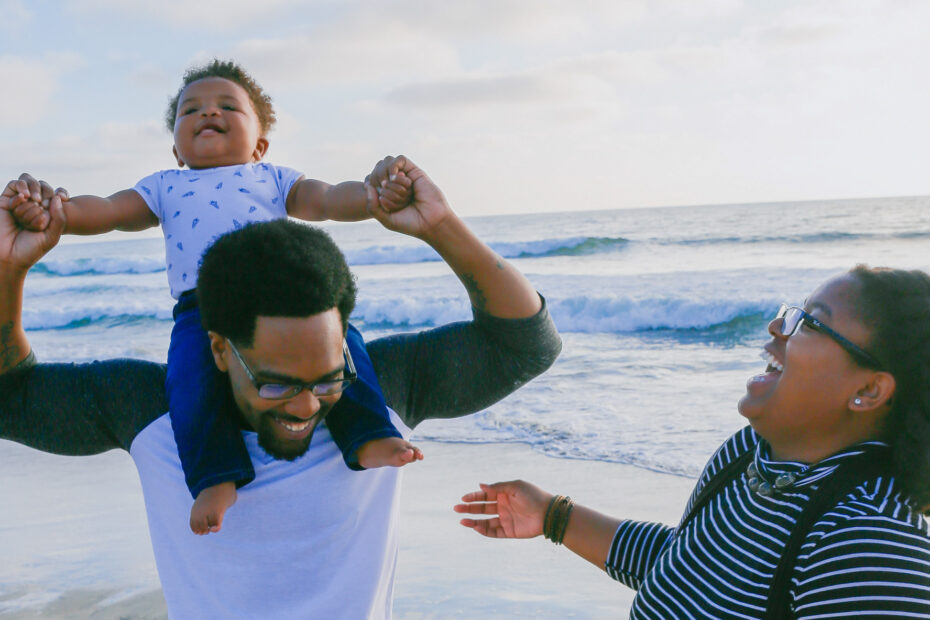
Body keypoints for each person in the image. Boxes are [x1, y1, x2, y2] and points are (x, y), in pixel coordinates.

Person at [0, 155, 563, 618]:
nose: (305, 405)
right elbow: (9, 398)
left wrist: (441, 226)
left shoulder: (377, 389)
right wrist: (8, 270)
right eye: (275, 384)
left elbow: (527, 344)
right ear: (219, 349)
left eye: (327, 378)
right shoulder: (152, 411)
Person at [2, 59, 421, 535]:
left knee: (345, 350)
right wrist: (55, 211)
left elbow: (326, 199)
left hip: (281, 298)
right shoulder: (165, 186)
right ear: (176, 149)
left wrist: (372, 196)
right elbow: (110, 211)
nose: (207, 113)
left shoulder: (274, 178)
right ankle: (215, 476)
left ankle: (369, 435)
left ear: (260, 145)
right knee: (188, 383)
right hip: (201, 310)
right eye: (191, 110)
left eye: (227, 106)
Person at [455, 267, 930, 618]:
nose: (777, 329)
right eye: (793, 313)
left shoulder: (868, 542)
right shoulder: (747, 456)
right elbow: (687, 569)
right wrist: (554, 515)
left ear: (869, 391)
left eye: (811, 323)